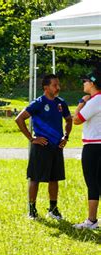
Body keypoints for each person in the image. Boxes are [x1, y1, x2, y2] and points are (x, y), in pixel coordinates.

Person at [15, 74, 72, 220]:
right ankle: (32, 210)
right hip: (41, 147)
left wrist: (66, 137)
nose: (58, 87)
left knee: (54, 179)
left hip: (56, 146)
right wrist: (32, 138)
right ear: (46, 87)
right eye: (54, 85)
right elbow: (19, 119)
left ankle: (53, 209)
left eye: (58, 84)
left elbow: (68, 119)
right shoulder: (38, 103)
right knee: (35, 178)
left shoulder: (61, 103)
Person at [72, 70, 101, 230]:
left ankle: (91, 220)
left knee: (92, 183)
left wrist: (82, 102)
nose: (84, 84)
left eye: (85, 81)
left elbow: (76, 119)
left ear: (92, 84)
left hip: (93, 146)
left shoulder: (94, 101)